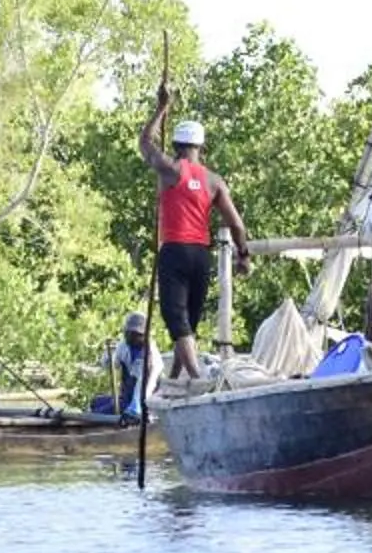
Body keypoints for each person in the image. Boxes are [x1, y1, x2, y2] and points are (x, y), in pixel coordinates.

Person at [140, 83, 253, 378]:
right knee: (188, 322)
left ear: (177, 145)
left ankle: (197, 378)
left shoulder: (170, 169)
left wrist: (161, 107)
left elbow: (145, 143)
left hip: (175, 251)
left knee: (176, 320)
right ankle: (178, 380)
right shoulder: (214, 181)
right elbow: (237, 224)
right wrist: (243, 255)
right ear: (201, 147)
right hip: (201, 256)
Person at [92, 311, 157, 419]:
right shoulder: (124, 345)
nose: (129, 336)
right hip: (126, 398)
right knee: (95, 402)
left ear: (142, 335)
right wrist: (108, 357)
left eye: (133, 334)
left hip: (144, 401)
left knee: (99, 412)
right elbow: (110, 364)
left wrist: (134, 409)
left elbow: (143, 388)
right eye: (127, 333)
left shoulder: (150, 355)